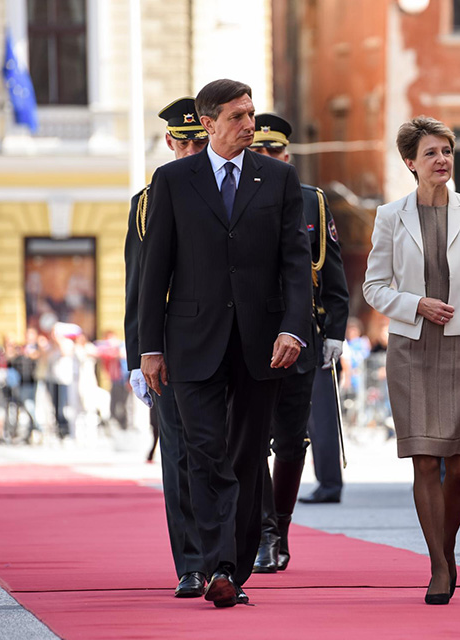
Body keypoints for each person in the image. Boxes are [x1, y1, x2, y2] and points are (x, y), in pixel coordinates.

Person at [138, 79, 314, 607]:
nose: (249, 125)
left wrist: (294, 327)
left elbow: (294, 264)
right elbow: (155, 270)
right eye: (237, 116)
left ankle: (232, 570)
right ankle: (216, 566)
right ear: (208, 122)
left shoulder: (279, 178)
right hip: (192, 341)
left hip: (261, 343)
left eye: (251, 115)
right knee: (203, 453)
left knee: (243, 458)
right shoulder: (171, 181)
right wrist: (149, 347)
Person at [363, 116, 460, 605]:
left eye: (447, 152)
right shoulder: (391, 216)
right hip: (412, 348)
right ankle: (437, 566)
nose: (442, 161)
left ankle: (447, 551)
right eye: (431, 153)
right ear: (411, 162)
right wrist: (415, 304)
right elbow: (373, 287)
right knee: (425, 460)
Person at [247, 113, 350, 573]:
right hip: (250, 334)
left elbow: (332, 273)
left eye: (274, 151)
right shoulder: (235, 196)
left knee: (291, 438)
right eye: (259, 151)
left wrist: (335, 332)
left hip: (302, 334)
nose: (266, 157)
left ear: (287, 156)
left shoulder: (313, 202)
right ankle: (266, 531)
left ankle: (280, 529)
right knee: (252, 439)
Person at [124, 96, 208, 598]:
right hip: (174, 348)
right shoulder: (149, 200)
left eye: (200, 140)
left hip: (227, 342)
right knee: (178, 454)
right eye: (185, 142)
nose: (192, 150)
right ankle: (192, 563)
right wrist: (140, 352)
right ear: (170, 143)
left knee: (230, 452)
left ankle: (229, 555)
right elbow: (139, 285)